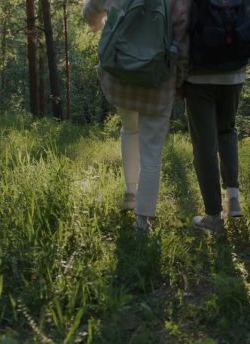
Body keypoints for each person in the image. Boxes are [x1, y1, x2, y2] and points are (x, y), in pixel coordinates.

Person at [83, 0, 189, 232]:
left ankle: (130, 192)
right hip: (158, 83)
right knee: (152, 152)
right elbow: (182, 41)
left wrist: (102, 28)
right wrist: (180, 81)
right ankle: (143, 220)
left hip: (121, 76)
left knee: (130, 129)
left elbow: (89, 13)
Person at [184, 0, 250, 235]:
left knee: (204, 146)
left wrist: (178, 75)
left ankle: (213, 217)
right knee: (227, 130)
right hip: (234, 74)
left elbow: (181, 28)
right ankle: (233, 199)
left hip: (198, 77)